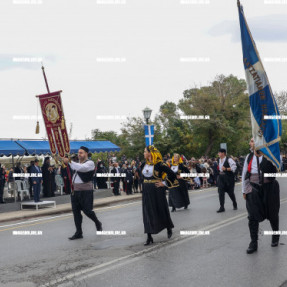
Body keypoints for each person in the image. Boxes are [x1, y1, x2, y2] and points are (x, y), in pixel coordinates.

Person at [242, 138, 280, 254]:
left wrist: (265, 161)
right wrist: (244, 190)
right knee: (252, 216)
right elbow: (244, 173)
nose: (250, 143)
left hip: (269, 188)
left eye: (253, 141)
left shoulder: (270, 155)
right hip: (253, 188)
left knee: (272, 214)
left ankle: (275, 235)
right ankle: (253, 242)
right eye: (250, 141)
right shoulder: (248, 157)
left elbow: (278, 168)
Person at [141, 145, 178, 245]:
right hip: (147, 191)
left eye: (145, 151)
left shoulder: (160, 164)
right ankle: (149, 236)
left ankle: (168, 227)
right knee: (147, 212)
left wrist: (164, 183)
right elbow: (141, 176)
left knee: (161, 209)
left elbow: (173, 175)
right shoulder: (144, 164)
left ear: (150, 153)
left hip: (157, 191)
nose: (144, 153)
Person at [63, 146, 102, 240]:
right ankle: (78, 232)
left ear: (86, 154)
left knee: (87, 211)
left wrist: (69, 162)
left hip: (86, 191)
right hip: (75, 191)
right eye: (78, 152)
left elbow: (82, 168)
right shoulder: (76, 163)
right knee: (76, 213)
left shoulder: (90, 163)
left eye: (81, 153)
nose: (79, 154)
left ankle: (97, 222)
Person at [216, 148, 238, 213]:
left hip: (228, 178)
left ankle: (234, 203)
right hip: (221, 178)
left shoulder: (229, 159)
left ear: (223, 153)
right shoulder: (218, 160)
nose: (218, 154)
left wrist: (225, 169)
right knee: (220, 192)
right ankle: (222, 207)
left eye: (219, 152)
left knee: (230, 192)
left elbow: (234, 168)